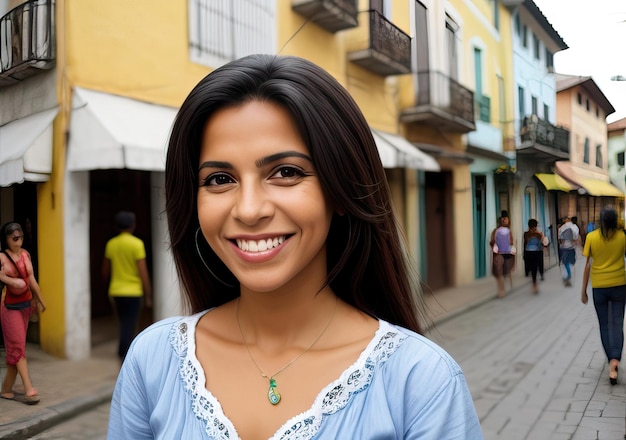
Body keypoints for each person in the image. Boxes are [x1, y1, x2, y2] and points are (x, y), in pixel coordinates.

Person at [108, 54, 483, 438]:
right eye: (219, 178)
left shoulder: (420, 381)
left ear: (340, 191)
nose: (249, 210)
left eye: (286, 172)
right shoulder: (153, 361)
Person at [0, 222, 46, 405]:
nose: (18, 242)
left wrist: (42, 300)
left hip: (26, 305)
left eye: (21, 238)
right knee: (18, 348)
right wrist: (4, 278)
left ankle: (6, 389)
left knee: (16, 349)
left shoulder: (25, 254)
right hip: (9, 308)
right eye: (14, 239)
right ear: (6, 239)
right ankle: (29, 390)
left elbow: (31, 279)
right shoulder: (2, 257)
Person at [581, 207, 626, 385]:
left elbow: (587, 266)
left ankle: (611, 360)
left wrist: (583, 290)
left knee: (604, 325)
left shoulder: (591, 237)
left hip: (599, 287)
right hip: (619, 286)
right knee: (617, 323)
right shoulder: (623, 237)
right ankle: (616, 359)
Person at [102, 211, 152, 362]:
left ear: (117, 226)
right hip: (134, 291)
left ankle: (123, 351)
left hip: (116, 290)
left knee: (123, 322)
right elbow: (142, 271)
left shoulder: (111, 243)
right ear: (132, 225)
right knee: (130, 324)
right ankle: (124, 354)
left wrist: (106, 283)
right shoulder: (137, 244)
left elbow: (105, 268)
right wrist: (148, 293)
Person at [490, 211, 515, 298]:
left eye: (506, 219)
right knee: (500, 272)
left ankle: (502, 290)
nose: (504, 220)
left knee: (501, 272)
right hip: (501, 254)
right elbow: (493, 242)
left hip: (502, 254)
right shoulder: (501, 231)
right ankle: (501, 290)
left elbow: (492, 242)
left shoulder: (500, 231)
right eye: (503, 219)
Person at [523, 218, 547, 294]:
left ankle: (533, 283)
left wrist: (524, 253)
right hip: (536, 252)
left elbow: (525, 244)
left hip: (528, 252)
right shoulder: (539, 234)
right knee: (534, 269)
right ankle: (534, 284)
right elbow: (542, 244)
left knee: (530, 267)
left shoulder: (526, 234)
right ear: (536, 226)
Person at [558, 215, 580, 287]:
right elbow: (575, 238)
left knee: (564, 263)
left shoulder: (561, 228)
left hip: (563, 248)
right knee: (571, 263)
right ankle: (568, 276)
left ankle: (566, 276)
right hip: (571, 248)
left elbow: (559, 240)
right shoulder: (575, 227)